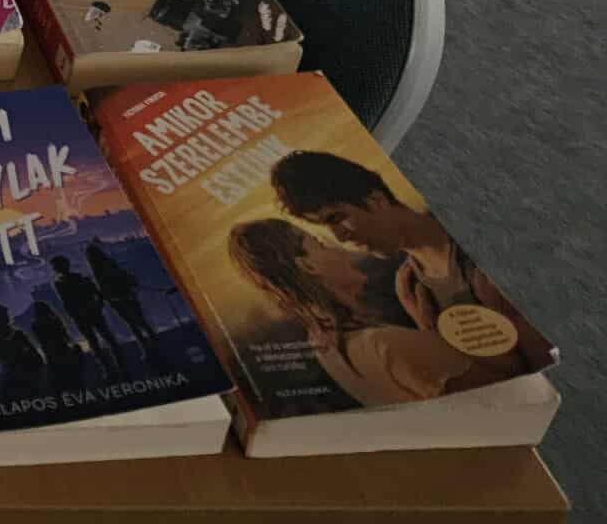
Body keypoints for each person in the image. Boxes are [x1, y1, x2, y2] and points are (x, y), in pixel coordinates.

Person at [269, 150, 553, 373]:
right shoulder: (409, 284)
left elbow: (542, 368)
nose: (340, 237)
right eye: (325, 228)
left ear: (376, 200)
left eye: (337, 217)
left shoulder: (473, 252)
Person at [227, 218, 502, 406]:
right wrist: (435, 331)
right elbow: (496, 392)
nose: (336, 248)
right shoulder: (385, 345)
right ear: (309, 266)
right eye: (319, 244)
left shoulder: (323, 344)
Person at [85, 242, 160, 357]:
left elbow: (103, 286)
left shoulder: (97, 269)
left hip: (117, 300)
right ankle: (153, 344)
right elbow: (122, 276)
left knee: (133, 324)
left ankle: (146, 349)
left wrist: (104, 299)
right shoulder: (110, 263)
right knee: (141, 321)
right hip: (126, 295)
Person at [51, 255, 123, 370]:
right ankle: (118, 363)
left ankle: (107, 366)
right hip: (89, 312)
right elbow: (95, 292)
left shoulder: (60, 283)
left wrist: (73, 315)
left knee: (96, 340)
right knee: (105, 337)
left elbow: (67, 302)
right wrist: (98, 306)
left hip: (82, 315)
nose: (56, 268)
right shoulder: (78, 278)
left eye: (56, 266)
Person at [0, 304, 47, 389]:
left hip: (24, 366)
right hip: (14, 369)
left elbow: (30, 347)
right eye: (4, 314)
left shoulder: (16, 333)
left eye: (6, 314)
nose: (8, 316)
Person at [30, 301, 86, 385]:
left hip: (50, 351)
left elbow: (39, 340)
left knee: (58, 371)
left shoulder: (35, 325)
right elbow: (64, 333)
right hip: (60, 347)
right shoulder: (54, 320)